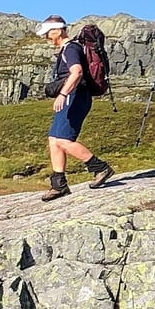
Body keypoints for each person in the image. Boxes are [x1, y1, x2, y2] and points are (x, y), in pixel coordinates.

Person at [37, 15, 114, 201]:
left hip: (75, 96)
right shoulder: (69, 48)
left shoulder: (70, 48)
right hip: (74, 96)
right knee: (54, 139)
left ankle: (100, 167)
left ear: (57, 31)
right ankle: (59, 184)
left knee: (63, 140)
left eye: (48, 33)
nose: (46, 37)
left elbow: (77, 71)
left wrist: (63, 94)